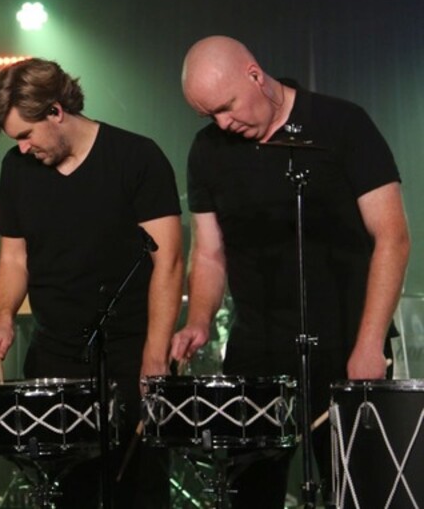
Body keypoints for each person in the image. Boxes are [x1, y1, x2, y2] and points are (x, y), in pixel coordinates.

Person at [170, 35, 411, 506]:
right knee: (250, 492)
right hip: (257, 348)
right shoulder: (207, 151)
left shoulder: (342, 124)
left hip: (347, 339)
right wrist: (198, 319)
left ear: (255, 75)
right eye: (209, 115)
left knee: (357, 490)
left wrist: (369, 344)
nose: (223, 123)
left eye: (227, 107)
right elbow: (210, 252)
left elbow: (392, 237)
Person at [0, 58, 183, 509]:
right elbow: (13, 256)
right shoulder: (16, 169)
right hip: (55, 353)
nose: (23, 148)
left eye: (26, 134)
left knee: (139, 490)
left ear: (55, 111)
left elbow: (168, 260)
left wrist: (155, 354)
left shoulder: (137, 157)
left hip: (131, 352)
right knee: (67, 491)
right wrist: (4, 318)